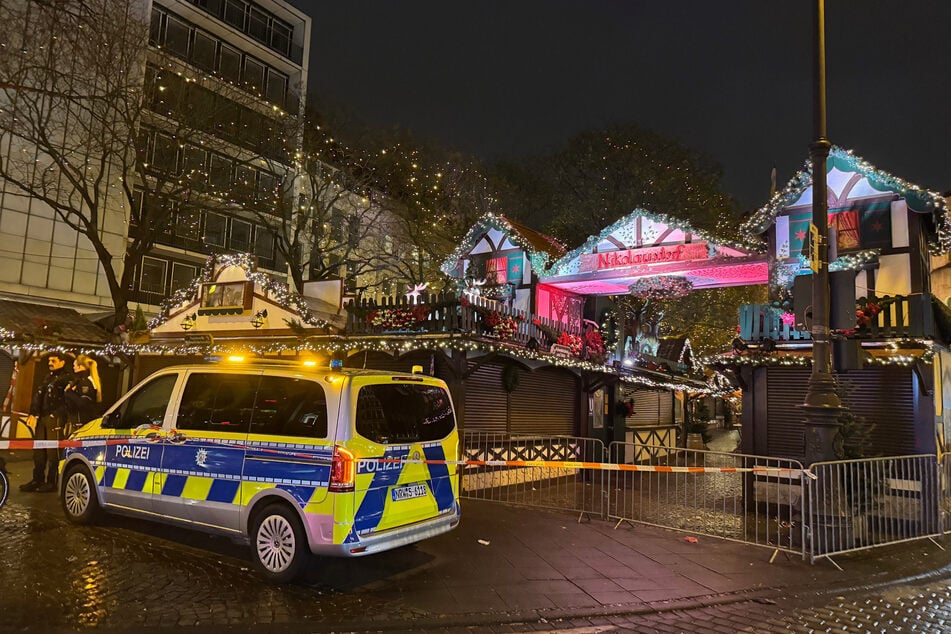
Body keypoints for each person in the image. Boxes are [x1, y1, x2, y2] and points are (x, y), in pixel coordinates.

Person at [20, 352, 73, 493]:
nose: (50, 363)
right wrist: (33, 412)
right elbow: (39, 396)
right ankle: (37, 479)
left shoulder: (66, 379)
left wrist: (55, 414)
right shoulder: (48, 377)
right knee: (38, 450)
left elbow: (68, 400)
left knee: (52, 452)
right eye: (49, 360)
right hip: (42, 417)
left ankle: (51, 481)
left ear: (62, 362)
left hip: (54, 418)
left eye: (53, 361)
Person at [64, 354, 102, 437]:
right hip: (79, 422)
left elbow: (83, 403)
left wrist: (68, 393)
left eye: (74, 365)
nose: (73, 368)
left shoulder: (85, 382)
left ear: (80, 366)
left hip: (81, 424)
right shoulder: (80, 381)